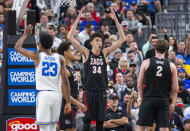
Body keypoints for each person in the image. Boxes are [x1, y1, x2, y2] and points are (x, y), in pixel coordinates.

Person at [67, 6, 126, 131]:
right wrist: (78, 18)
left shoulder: (104, 53)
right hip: (89, 91)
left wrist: (116, 20)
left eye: (101, 41)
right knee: (87, 119)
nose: (100, 42)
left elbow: (122, 39)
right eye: (97, 40)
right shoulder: (86, 53)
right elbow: (70, 37)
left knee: (100, 120)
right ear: (92, 42)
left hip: (102, 91)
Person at [14, 25, 71, 131]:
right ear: (52, 44)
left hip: (44, 95)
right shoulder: (60, 58)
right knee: (53, 127)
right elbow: (65, 81)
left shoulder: (37, 56)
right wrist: (68, 101)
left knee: (44, 128)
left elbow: (17, 47)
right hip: (57, 95)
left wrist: (25, 34)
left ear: (39, 45)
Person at [136, 39, 179, 131]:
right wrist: (169, 98)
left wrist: (142, 97)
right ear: (166, 51)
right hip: (163, 100)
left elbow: (139, 85)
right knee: (164, 128)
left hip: (148, 98)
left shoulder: (146, 62)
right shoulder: (172, 66)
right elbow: (176, 89)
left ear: (155, 48)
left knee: (141, 127)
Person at [58, 42, 87, 131]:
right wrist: (78, 103)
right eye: (71, 50)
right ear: (65, 53)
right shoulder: (65, 70)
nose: (74, 52)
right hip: (66, 104)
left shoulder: (71, 66)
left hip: (72, 104)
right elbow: (63, 93)